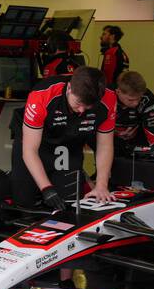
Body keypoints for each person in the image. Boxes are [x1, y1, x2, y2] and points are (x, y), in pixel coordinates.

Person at [11, 66, 117, 211]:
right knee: (24, 200)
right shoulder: (42, 95)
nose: (81, 111)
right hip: (36, 140)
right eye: (79, 103)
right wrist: (46, 188)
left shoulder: (109, 98)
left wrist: (101, 185)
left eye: (88, 107)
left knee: (69, 201)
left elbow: (105, 145)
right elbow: (29, 150)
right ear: (69, 89)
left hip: (69, 142)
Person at [113, 70, 154, 152]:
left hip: (139, 145)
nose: (136, 103)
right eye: (131, 100)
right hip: (110, 143)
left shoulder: (147, 100)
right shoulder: (105, 97)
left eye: (139, 98)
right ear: (118, 92)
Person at [98, 25, 129, 89]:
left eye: (104, 34)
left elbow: (107, 77)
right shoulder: (123, 53)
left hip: (111, 91)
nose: (100, 37)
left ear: (112, 36)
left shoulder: (111, 53)